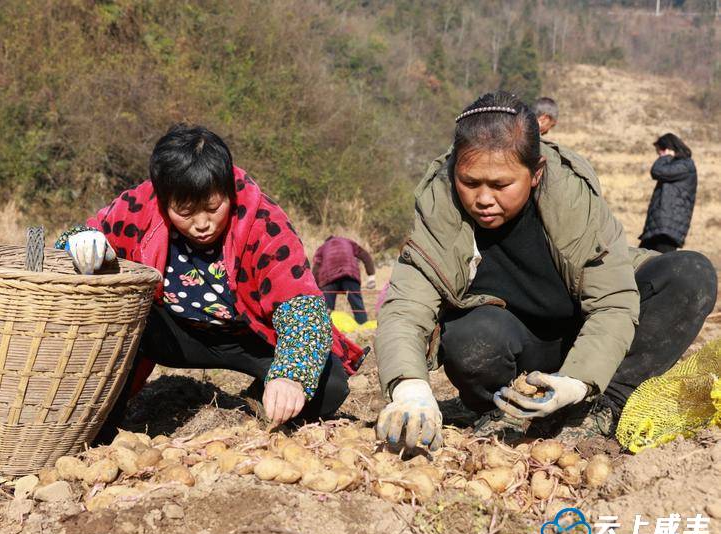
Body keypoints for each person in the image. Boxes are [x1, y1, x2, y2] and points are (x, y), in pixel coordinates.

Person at [374, 91, 717, 450]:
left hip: (584, 331)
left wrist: (579, 380)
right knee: (469, 341)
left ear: (535, 173)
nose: (484, 198)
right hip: (518, 344)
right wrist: (410, 387)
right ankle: (498, 407)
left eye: (501, 185)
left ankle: (604, 405)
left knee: (691, 274)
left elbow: (612, 303)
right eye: (470, 182)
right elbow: (404, 309)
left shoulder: (573, 199)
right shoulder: (439, 207)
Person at [56, 125, 366, 434]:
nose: (202, 224)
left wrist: (289, 376)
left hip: (246, 335)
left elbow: (300, 303)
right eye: (185, 212)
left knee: (330, 385)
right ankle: (101, 424)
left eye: (213, 208)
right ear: (164, 201)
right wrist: (82, 242)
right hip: (168, 331)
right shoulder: (140, 206)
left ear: (229, 192)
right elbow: (80, 237)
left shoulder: (262, 221)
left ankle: (257, 403)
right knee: (121, 317)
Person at [638, 133, 697, 253]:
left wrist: (665, 157)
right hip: (660, 227)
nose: (659, 156)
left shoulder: (685, 165)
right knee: (640, 263)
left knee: (663, 267)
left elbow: (657, 171)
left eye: (659, 152)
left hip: (668, 229)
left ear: (666, 148)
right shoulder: (677, 165)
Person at [313, 236, 377, 324]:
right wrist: (371, 276)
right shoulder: (348, 242)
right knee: (357, 306)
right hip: (349, 274)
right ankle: (363, 326)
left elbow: (316, 266)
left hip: (328, 278)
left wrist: (315, 287)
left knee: (326, 309)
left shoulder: (322, 247)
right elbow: (364, 255)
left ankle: (326, 329)